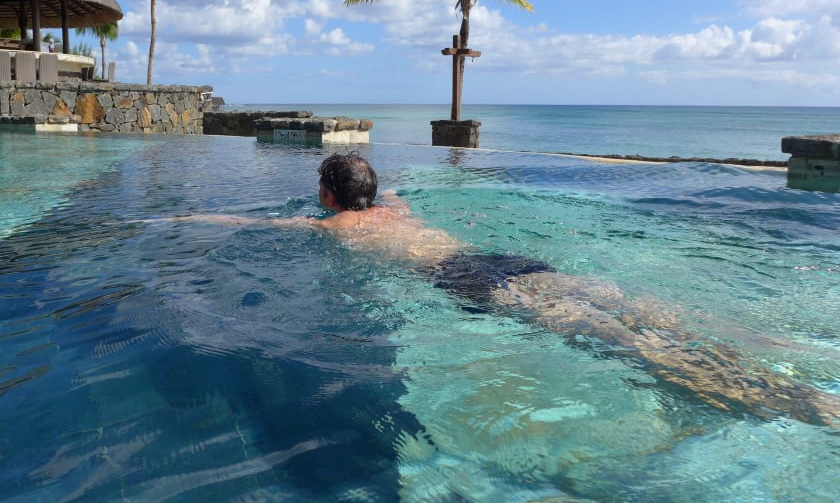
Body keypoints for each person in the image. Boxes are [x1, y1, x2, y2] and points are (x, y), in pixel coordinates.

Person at [160, 152, 840, 427]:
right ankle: (779, 344)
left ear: (330, 196)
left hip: (463, 279)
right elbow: (383, 184)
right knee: (626, 306)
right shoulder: (394, 209)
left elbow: (268, 224)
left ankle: (787, 398)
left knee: (609, 338)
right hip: (499, 255)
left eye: (322, 190)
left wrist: (189, 216)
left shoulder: (338, 230)